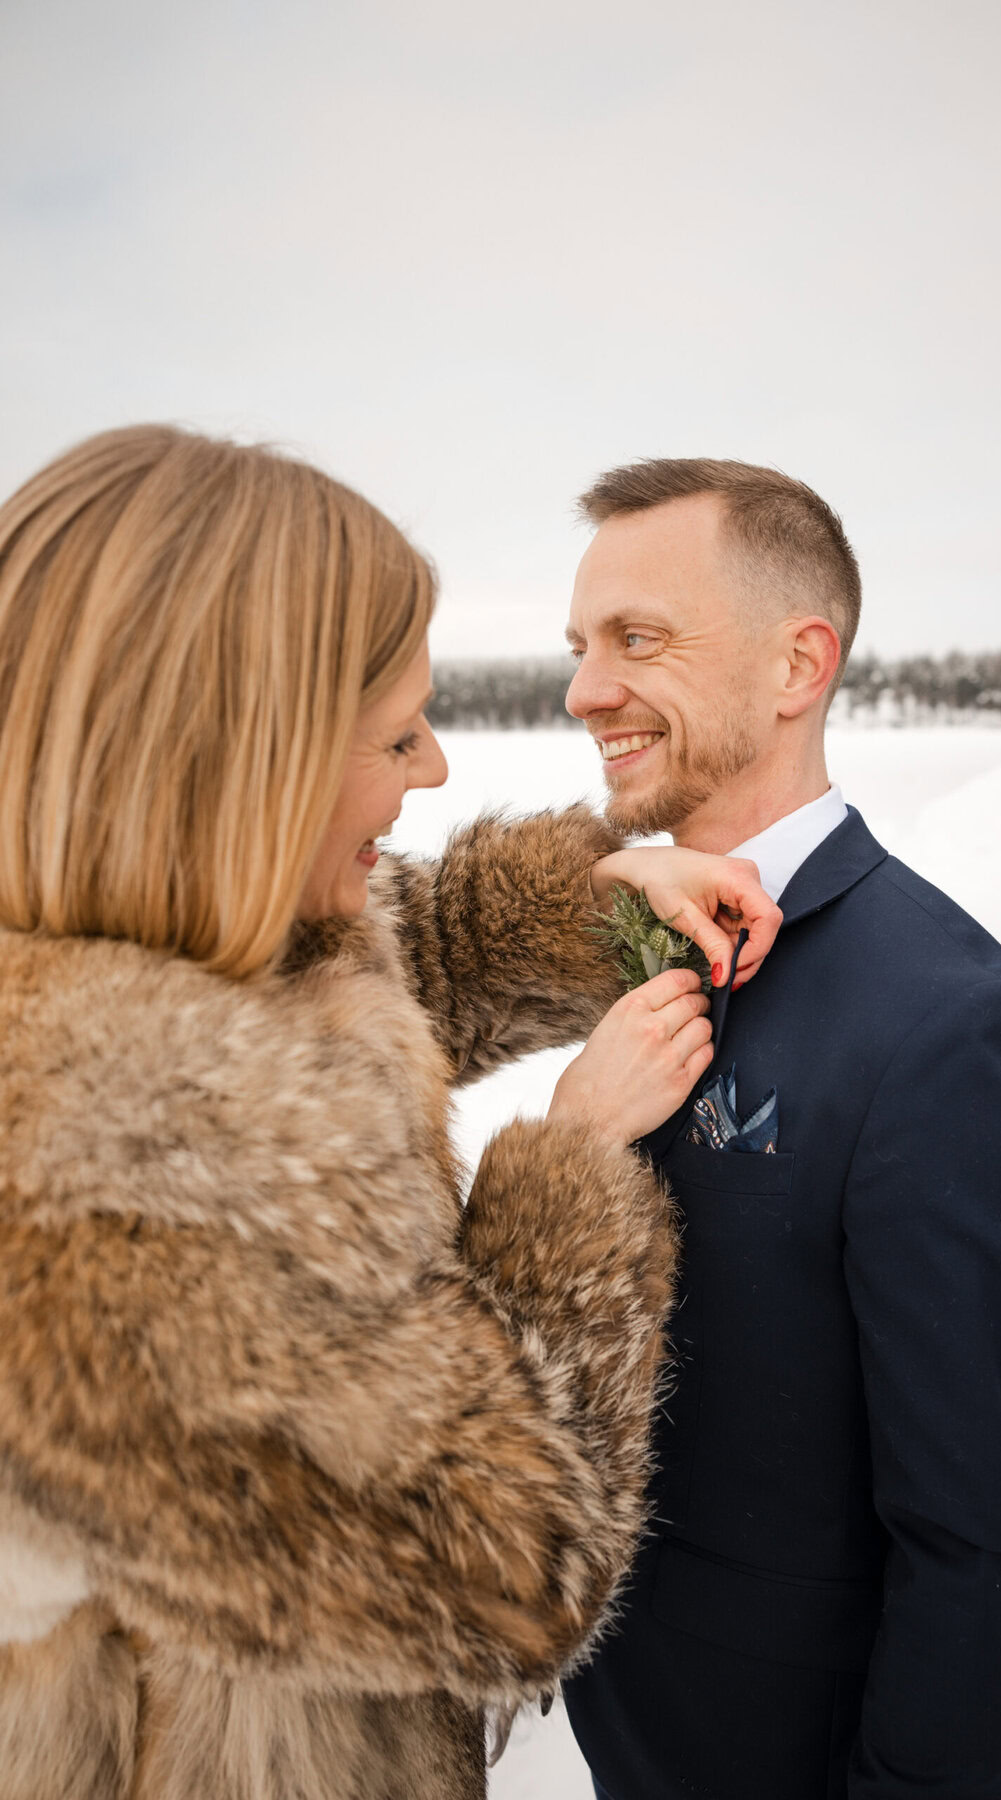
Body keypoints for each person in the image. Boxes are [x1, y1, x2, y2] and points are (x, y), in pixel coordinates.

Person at [0, 426, 782, 1800]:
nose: (431, 773)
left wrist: (591, 908)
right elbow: (504, 1570)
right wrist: (572, 1171)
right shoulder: (98, 1209)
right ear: (239, 767)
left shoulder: (166, 934)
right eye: (393, 735)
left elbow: (391, 953)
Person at [560, 458, 1001, 1800]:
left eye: (638, 639)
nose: (583, 691)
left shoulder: (952, 1030)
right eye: (578, 648)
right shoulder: (644, 947)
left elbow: (969, 1554)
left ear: (801, 665)